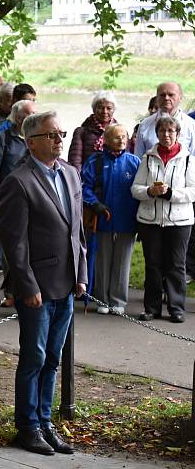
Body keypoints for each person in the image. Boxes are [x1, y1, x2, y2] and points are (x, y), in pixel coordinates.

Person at [0, 111, 86, 456]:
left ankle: (46, 421)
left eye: (61, 133)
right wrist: (26, 285)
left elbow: (77, 230)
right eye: (51, 135)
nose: (59, 139)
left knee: (53, 357)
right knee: (34, 356)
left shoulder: (71, 174)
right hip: (37, 286)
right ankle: (28, 426)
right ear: (30, 141)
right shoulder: (18, 181)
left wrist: (81, 274)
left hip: (66, 282)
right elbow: (14, 243)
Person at [130, 116, 195, 323]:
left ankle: (176, 308)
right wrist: (149, 190)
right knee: (153, 265)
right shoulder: (147, 158)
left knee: (176, 265)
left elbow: (193, 192)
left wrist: (170, 194)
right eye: (162, 131)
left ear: (177, 134)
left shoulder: (188, 159)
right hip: (150, 220)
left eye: (170, 131)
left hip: (179, 221)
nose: (166, 135)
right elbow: (135, 189)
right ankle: (152, 308)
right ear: (156, 134)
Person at [81, 124, 140, 315]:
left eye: (124, 136)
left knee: (123, 260)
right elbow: (84, 186)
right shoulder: (95, 161)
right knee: (102, 260)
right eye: (116, 137)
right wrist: (94, 203)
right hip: (102, 218)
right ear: (106, 140)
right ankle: (102, 299)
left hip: (127, 220)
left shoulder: (134, 162)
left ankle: (118, 300)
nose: (121, 140)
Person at [0, 100, 36, 290]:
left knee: (31, 247)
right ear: (17, 117)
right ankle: (10, 291)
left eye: (34, 113)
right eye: (27, 114)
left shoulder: (38, 138)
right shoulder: (3, 138)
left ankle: (28, 288)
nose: (31, 118)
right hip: (8, 202)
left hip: (33, 201)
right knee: (10, 249)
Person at [134, 82, 195, 158]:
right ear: (157, 98)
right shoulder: (144, 125)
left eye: (171, 95)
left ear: (180, 97)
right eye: (162, 95)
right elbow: (138, 158)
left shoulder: (191, 125)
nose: (166, 98)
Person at [68, 91, 118, 171]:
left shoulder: (120, 132)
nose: (105, 111)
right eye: (101, 108)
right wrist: (79, 181)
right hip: (87, 179)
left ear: (114, 110)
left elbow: (124, 159)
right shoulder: (81, 132)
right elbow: (75, 161)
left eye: (109, 108)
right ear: (94, 109)